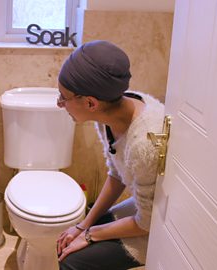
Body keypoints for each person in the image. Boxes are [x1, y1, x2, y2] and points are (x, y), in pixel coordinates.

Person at [56, 40, 165, 269]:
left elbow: (146, 223)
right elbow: (116, 173)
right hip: (146, 207)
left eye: (63, 97)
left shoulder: (145, 142)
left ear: (90, 103)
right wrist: (83, 225)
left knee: (72, 261)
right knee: (85, 227)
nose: (59, 104)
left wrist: (89, 234)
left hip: (160, 223)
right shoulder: (113, 111)